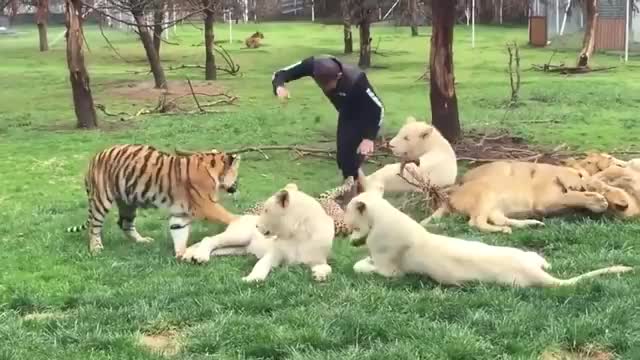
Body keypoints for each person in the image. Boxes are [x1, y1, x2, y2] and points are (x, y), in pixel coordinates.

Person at [271, 55, 384, 203]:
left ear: (339, 76)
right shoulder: (313, 65)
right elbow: (280, 74)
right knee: (343, 159)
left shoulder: (356, 80)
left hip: (364, 115)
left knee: (349, 159)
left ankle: (353, 199)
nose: (327, 88)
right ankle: (359, 190)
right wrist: (279, 86)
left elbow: (378, 108)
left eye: (330, 84)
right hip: (346, 112)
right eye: (322, 84)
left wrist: (369, 137)